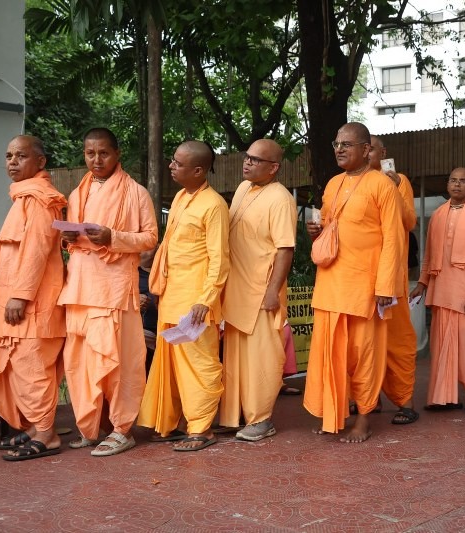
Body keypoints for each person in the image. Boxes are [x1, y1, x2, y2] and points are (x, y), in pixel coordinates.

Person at [58, 128, 158, 456]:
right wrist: (68, 240)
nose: (96, 160)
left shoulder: (136, 193)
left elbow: (149, 238)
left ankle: (122, 428)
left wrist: (113, 237)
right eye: (90, 153)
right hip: (81, 287)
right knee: (82, 361)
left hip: (114, 287)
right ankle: (92, 425)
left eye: (103, 153)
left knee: (120, 360)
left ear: (117, 155)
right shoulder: (76, 195)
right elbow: (73, 240)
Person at [304, 122, 402, 443]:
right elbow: (330, 226)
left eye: (347, 144)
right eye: (336, 144)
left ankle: (364, 418)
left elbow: (394, 239)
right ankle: (335, 412)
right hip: (332, 281)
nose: (339, 149)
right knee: (332, 353)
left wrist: (385, 286)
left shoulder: (382, 185)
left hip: (365, 284)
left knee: (365, 354)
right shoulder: (332, 184)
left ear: (365, 150)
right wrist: (316, 234)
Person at [137, 141, 229, 451]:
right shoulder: (179, 197)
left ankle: (201, 429)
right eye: (173, 161)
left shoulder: (214, 205)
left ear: (199, 170)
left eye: (177, 162)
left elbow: (220, 258)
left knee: (200, 363)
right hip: (171, 294)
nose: (171, 166)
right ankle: (173, 422)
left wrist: (206, 299)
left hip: (196, 300)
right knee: (173, 363)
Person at [0, 136, 67, 460]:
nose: (12, 162)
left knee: (33, 367)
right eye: (8, 156)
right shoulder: (22, 199)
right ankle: (36, 427)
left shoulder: (40, 199)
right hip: (16, 303)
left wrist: (20, 296)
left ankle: (47, 435)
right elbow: (3, 251)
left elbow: (36, 251)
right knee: (18, 367)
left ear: (40, 162)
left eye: (21, 155)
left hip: (32, 303)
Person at [218, 139, 297, 442]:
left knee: (263, 356)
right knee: (236, 356)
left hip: (263, 290)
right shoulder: (242, 189)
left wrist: (273, 290)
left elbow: (285, 249)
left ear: (273, 167)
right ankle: (236, 414)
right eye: (247, 157)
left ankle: (261, 418)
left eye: (255, 160)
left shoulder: (280, 198)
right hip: (237, 288)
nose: (247, 163)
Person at [410, 167, 465, 415]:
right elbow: (429, 254)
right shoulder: (437, 215)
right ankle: (442, 397)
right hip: (441, 290)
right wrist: (422, 283)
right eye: (453, 180)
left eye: (462, 181)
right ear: (447, 185)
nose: (457, 185)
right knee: (440, 345)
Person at [368, 135, 419, 425]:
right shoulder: (354, 182)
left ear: (382, 152)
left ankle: (405, 402)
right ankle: (367, 399)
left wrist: (396, 189)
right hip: (363, 275)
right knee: (364, 342)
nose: (366, 153)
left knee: (398, 340)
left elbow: (409, 222)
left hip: (392, 275)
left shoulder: (399, 180)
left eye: (371, 148)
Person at [138, 247, 158, 373]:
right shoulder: (131, 274)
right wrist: (134, 301)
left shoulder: (169, 272)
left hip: (170, 328)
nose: (141, 251)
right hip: (144, 331)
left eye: (147, 247)